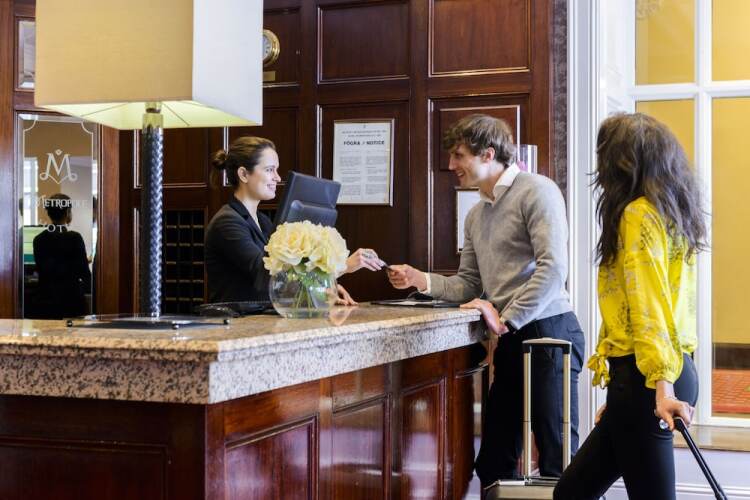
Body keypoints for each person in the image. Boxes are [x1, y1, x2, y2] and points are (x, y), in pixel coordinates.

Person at [386, 114, 585, 485]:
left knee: (558, 460)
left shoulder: (537, 190)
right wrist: (420, 279)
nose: (451, 165)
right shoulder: (476, 214)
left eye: (459, 155)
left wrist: (505, 320)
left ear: (488, 154)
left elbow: (554, 268)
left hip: (549, 333)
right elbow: (469, 284)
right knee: (494, 464)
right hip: (511, 339)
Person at [553, 113, 705, 500]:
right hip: (665, 371)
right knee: (572, 492)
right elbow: (672, 306)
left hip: (648, 378)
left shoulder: (637, 215)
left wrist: (658, 389)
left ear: (622, 162)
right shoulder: (670, 213)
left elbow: (648, 307)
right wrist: (623, 401)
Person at [205, 136, 384, 304]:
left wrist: (322, 289)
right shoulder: (227, 222)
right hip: (236, 322)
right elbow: (267, 277)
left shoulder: (263, 221)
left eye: (276, 170)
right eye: (269, 170)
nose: (277, 177)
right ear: (244, 174)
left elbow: (287, 274)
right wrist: (342, 267)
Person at [32, 193, 92, 319]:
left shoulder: (38, 239)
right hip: (71, 303)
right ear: (68, 212)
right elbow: (84, 273)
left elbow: (43, 269)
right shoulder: (75, 238)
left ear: (49, 213)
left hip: (46, 303)